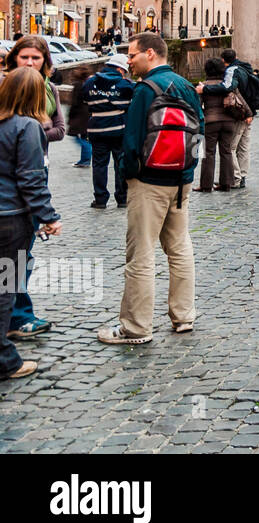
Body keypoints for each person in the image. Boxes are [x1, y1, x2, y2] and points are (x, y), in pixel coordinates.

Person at [98, 32, 203, 345]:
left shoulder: (145, 89)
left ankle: (136, 327)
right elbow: (200, 129)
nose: (128, 61)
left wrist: (129, 174)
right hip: (181, 181)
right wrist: (188, 171)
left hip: (149, 181)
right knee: (180, 249)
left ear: (151, 54)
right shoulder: (186, 85)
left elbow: (131, 141)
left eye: (132, 55)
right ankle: (183, 317)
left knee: (141, 254)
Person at [0, 68, 62, 379]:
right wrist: (48, 217)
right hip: (10, 220)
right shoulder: (27, 127)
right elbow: (31, 179)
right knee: (5, 287)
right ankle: (5, 360)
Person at [80, 53, 136, 210]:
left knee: (99, 164)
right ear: (120, 69)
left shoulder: (89, 83)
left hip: (96, 128)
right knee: (120, 164)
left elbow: (85, 100)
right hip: (118, 128)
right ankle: (122, 198)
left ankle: (100, 199)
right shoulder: (125, 85)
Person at [196, 57, 240, 192]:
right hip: (228, 122)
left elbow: (197, 105)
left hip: (211, 121)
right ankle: (226, 183)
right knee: (226, 151)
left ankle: (206, 185)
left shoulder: (203, 86)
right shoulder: (227, 84)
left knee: (209, 153)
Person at [219, 48, 255, 188]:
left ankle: (236, 177)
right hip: (249, 112)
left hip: (240, 113)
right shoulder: (246, 68)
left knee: (230, 147)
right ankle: (243, 176)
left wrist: (209, 88)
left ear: (224, 60)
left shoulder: (232, 70)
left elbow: (229, 86)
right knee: (244, 147)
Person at [65, 65, 95, 168]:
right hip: (87, 114)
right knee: (83, 136)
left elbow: (74, 102)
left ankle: (86, 158)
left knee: (78, 137)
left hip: (80, 115)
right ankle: (84, 160)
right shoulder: (88, 83)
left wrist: (70, 116)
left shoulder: (78, 85)